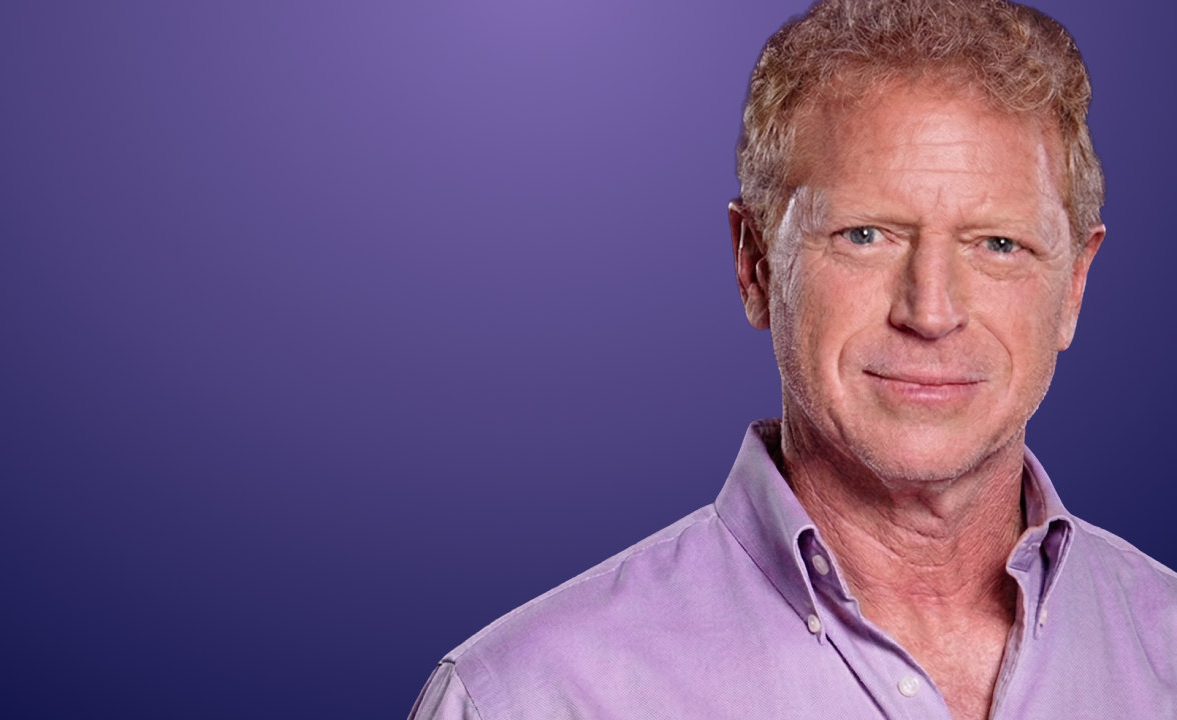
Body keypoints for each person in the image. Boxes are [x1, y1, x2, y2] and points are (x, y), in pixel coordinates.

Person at [408, 0, 1177, 717]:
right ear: (755, 264)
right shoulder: (533, 698)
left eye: (1000, 244)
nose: (931, 311)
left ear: (1074, 287)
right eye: (865, 236)